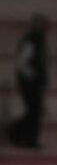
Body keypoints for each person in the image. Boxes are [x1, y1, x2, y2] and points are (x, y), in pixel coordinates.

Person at [8, 14, 48, 149]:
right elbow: (22, 63)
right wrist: (34, 77)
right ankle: (21, 136)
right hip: (29, 82)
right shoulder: (31, 41)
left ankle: (19, 135)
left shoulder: (38, 40)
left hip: (32, 82)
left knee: (34, 112)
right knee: (34, 111)